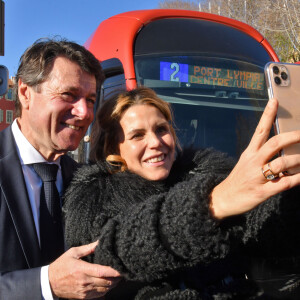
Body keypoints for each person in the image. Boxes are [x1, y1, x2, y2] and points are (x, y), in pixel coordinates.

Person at [64, 87, 300, 299]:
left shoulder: (204, 172)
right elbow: (117, 248)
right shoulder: (93, 197)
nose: (155, 142)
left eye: (161, 129)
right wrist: (211, 204)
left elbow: (258, 226)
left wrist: (290, 194)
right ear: (113, 148)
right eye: (138, 135)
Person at [0, 39, 121, 300]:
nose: (85, 112)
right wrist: (47, 284)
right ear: (25, 93)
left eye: (90, 100)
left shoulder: (84, 180)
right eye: (69, 95)